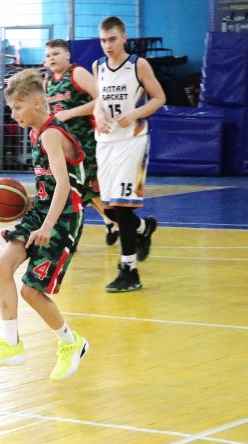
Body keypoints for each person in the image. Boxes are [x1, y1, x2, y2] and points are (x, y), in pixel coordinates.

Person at [0, 69, 89, 381]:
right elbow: (48, 185)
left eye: (17, 107)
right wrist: (28, 203)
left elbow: (64, 185)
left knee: (31, 292)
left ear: (38, 103)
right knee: (2, 266)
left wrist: (48, 225)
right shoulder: (35, 132)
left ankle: (71, 342)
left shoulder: (51, 134)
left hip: (63, 217)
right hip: (41, 210)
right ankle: (11, 345)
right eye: (11, 108)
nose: (13, 114)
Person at [93, 16, 165, 292]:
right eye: (103, 40)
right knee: (110, 209)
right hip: (105, 142)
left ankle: (129, 271)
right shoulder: (98, 66)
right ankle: (143, 228)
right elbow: (99, 99)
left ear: (124, 38)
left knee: (122, 208)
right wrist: (99, 114)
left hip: (132, 141)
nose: (107, 45)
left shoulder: (138, 65)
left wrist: (134, 114)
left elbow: (159, 97)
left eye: (112, 39)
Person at [43, 39, 119, 246]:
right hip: (64, 146)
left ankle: (125, 225)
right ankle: (110, 223)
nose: (51, 58)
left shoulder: (77, 73)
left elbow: (102, 98)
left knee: (90, 189)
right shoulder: (47, 81)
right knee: (78, 190)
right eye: (48, 55)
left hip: (86, 143)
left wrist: (70, 113)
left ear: (67, 55)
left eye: (56, 54)